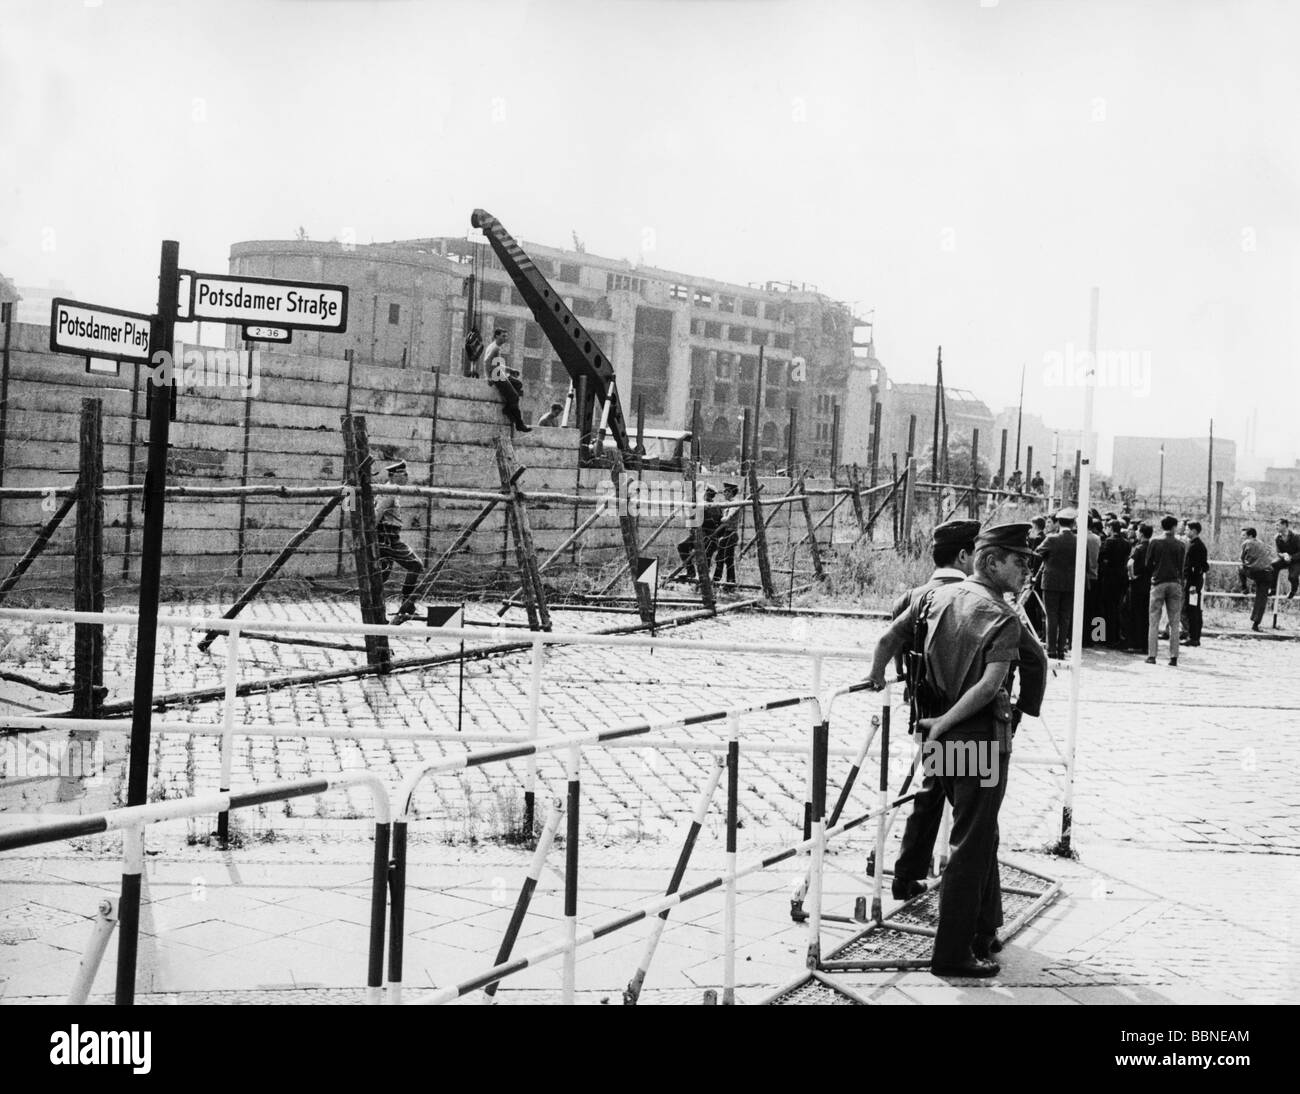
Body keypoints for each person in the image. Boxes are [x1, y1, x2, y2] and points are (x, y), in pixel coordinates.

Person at [867, 523, 1048, 979]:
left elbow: (888, 639)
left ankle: (985, 929)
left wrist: (876, 675)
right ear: (990, 562)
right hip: (979, 739)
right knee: (970, 843)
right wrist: (1023, 709)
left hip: (938, 734)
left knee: (979, 835)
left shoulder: (931, 597)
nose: (1027, 570)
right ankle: (952, 954)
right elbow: (990, 686)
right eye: (1020, 561)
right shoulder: (1002, 616)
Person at [881, 519, 981, 899]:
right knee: (973, 813)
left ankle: (907, 875)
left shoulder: (908, 598)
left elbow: (895, 652)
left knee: (931, 791)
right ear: (963, 555)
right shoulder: (973, 597)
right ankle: (968, 900)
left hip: (924, 714)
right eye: (977, 553)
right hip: (967, 719)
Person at [374, 460, 424, 617]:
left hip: (387, 536)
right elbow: (378, 512)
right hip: (388, 538)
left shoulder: (391, 490)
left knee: (383, 574)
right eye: (404, 474)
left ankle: (376, 609)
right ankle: (407, 605)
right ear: (394, 475)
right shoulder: (389, 492)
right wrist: (372, 534)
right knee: (416, 565)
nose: (407, 477)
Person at [1035, 508, 1078, 659]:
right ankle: (1061, 648)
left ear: (1058, 522)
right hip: (1071, 583)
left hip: (1051, 582)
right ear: (1073, 523)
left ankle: (1051, 649)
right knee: (1065, 616)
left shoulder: (1051, 539)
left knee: (1051, 616)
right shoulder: (1078, 540)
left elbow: (1038, 552)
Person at [1145, 514, 1188, 665]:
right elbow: (1182, 566)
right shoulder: (1181, 544)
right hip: (1175, 583)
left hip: (1158, 582)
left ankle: (1152, 655)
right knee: (1174, 621)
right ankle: (1173, 656)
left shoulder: (1155, 541)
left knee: (1154, 620)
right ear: (1174, 527)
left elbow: (1148, 563)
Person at [484, 328, 531, 433]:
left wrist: (510, 370)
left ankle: (508, 407)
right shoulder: (495, 348)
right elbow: (487, 361)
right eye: (503, 336)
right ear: (496, 336)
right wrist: (488, 377)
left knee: (518, 384)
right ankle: (519, 424)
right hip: (496, 375)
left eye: (506, 336)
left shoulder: (495, 346)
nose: (505, 338)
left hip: (499, 372)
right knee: (514, 396)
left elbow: (497, 363)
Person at [1098, 519, 1130, 648]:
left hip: (1109, 578)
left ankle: (1104, 636)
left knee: (1106, 608)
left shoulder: (1108, 542)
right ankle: (1116, 636)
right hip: (1121, 578)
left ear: (1111, 528)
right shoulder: (1126, 543)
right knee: (1117, 608)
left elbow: (1101, 558)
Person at [677, 486, 721, 579]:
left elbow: (704, 521)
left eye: (705, 492)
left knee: (704, 557)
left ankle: (701, 578)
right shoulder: (714, 506)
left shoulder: (708, 506)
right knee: (683, 546)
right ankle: (692, 573)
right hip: (703, 536)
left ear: (707, 493)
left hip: (708, 537)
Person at [1240, 527, 1275, 632]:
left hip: (1255, 572)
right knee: (1261, 599)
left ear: (1250, 536)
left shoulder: (1247, 542)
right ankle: (1256, 623)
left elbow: (1242, 559)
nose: (1242, 537)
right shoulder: (1262, 543)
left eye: (1243, 535)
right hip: (1267, 573)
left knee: (1240, 568)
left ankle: (1244, 587)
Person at [1126, 522, 1154, 650]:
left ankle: (1133, 643)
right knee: (1145, 614)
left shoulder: (1138, 548)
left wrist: (1131, 576)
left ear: (1141, 533)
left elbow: (1130, 563)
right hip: (1148, 583)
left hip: (1137, 584)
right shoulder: (1153, 547)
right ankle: (1144, 644)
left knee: (1134, 613)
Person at [711, 482, 741, 587]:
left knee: (720, 558)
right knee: (728, 560)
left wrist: (721, 519)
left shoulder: (735, 503)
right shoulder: (728, 503)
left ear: (730, 492)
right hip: (726, 533)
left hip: (730, 534)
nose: (724, 494)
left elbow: (727, 519)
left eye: (726, 492)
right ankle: (730, 584)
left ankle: (716, 582)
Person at [1183, 520, 1208, 647]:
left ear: (1193, 531)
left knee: (1193, 609)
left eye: (1187, 529)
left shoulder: (1195, 546)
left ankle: (1194, 637)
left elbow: (1196, 566)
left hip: (1193, 582)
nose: (1185, 531)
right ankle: (1193, 636)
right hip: (1194, 581)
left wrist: (1191, 583)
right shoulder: (1194, 544)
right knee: (1192, 608)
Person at [1273, 518, 1300, 599]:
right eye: (1275, 525)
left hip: (1297, 560)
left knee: (1292, 577)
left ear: (1284, 525)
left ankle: (1293, 591)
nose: (1276, 527)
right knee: (1273, 565)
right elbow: (1278, 552)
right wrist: (1284, 555)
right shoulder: (1277, 537)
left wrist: (1291, 557)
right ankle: (1273, 588)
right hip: (1285, 559)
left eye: (1278, 525)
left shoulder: (1297, 536)